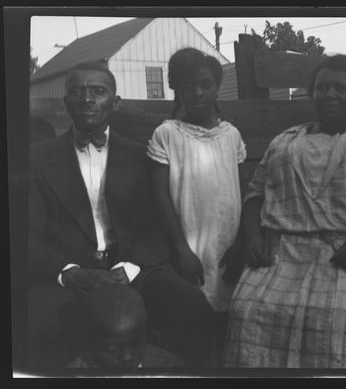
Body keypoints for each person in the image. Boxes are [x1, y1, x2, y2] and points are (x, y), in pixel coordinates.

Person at [223, 54, 346, 368]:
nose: (329, 94)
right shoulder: (285, 141)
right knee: (248, 308)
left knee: (336, 316)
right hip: (284, 251)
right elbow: (255, 194)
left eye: (340, 88)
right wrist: (252, 239)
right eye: (322, 87)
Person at [27, 62, 215, 370]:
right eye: (78, 92)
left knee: (192, 308)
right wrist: (69, 270)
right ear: (66, 103)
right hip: (70, 274)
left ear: (115, 102)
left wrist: (129, 267)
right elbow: (25, 234)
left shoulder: (140, 155)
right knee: (33, 324)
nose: (87, 99)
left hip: (130, 267)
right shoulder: (38, 159)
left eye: (98, 91)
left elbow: (157, 224)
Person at [147, 48, 246, 358]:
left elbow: (241, 190)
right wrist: (180, 249)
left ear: (217, 86)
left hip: (227, 243)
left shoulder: (231, 135)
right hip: (189, 245)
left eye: (206, 83)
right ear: (177, 89)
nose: (198, 92)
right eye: (189, 85)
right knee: (196, 316)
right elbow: (160, 196)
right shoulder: (167, 134)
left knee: (227, 318)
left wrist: (241, 242)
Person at [65, 284, 184, 369]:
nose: (127, 357)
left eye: (136, 343)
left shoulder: (172, 367)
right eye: (112, 348)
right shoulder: (70, 375)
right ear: (90, 341)